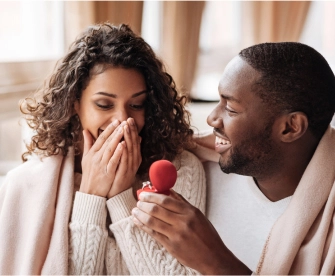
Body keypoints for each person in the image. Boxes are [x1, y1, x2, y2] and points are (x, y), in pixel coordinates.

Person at [0, 23, 206, 275]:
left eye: (137, 104)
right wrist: (91, 196)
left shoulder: (180, 170)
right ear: (75, 103)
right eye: (104, 105)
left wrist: (121, 196)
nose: (123, 119)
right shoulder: (30, 185)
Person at [132, 42, 335, 275]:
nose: (211, 119)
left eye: (230, 108)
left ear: (290, 127)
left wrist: (215, 263)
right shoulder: (194, 169)